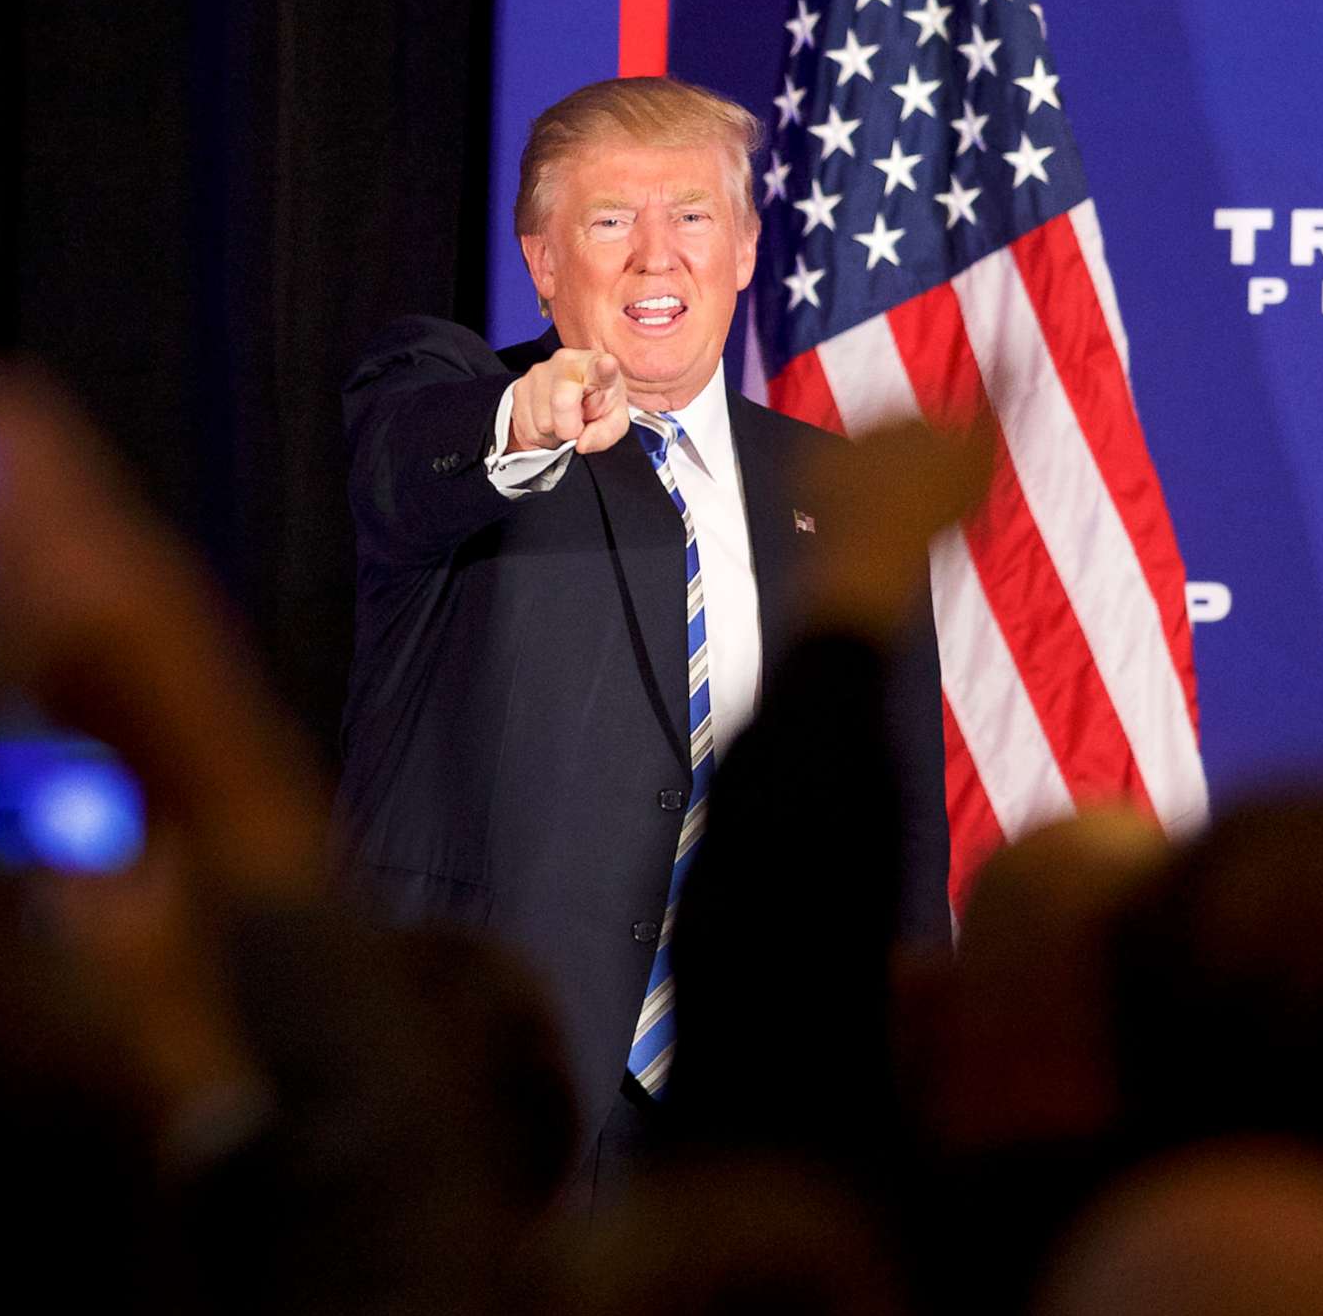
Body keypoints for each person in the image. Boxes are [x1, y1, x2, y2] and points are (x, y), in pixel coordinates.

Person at [337, 74, 950, 1185]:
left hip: (763, 1114)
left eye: (694, 218)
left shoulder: (839, 490)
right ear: (541, 260)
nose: (656, 258)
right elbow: (402, 468)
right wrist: (527, 418)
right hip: (489, 1092)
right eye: (611, 221)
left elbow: (899, 826)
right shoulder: (466, 411)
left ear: (748, 249)